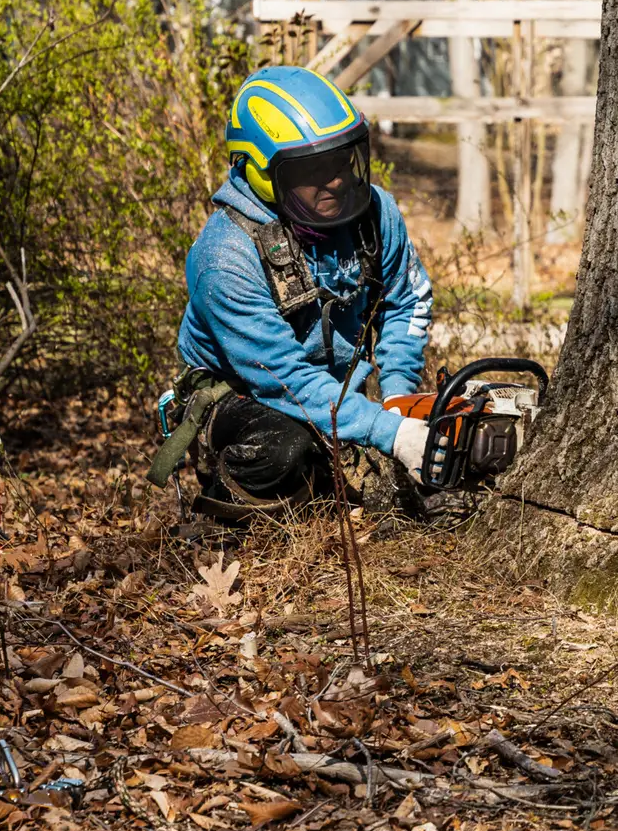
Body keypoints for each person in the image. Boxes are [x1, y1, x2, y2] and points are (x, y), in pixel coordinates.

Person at [157, 66, 435, 516]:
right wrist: (389, 433)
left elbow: (405, 302)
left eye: (342, 160)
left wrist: (399, 400)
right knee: (287, 453)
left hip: (336, 388)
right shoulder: (224, 256)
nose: (338, 180)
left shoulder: (376, 213)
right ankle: (226, 509)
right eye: (314, 170)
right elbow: (284, 378)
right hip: (243, 392)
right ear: (263, 173)